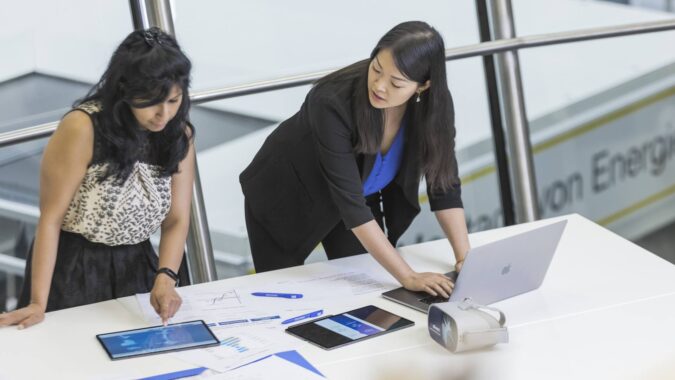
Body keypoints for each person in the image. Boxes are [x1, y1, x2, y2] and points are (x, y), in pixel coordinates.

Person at [240, 21, 470, 298]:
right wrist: (408, 276)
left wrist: (464, 257)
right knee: (284, 297)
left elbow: (443, 183)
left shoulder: (433, 110)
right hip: (287, 195)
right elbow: (351, 206)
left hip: (356, 197)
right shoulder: (331, 101)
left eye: (396, 82)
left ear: (423, 86)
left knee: (367, 289)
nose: (380, 86)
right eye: (376, 69)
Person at [0, 27, 195, 329]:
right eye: (152, 101)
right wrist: (38, 302)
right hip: (73, 267)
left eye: (173, 101)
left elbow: (177, 219)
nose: (163, 114)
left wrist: (166, 276)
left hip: (140, 265)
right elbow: (50, 219)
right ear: (125, 89)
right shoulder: (83, 128)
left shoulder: (178, 135)